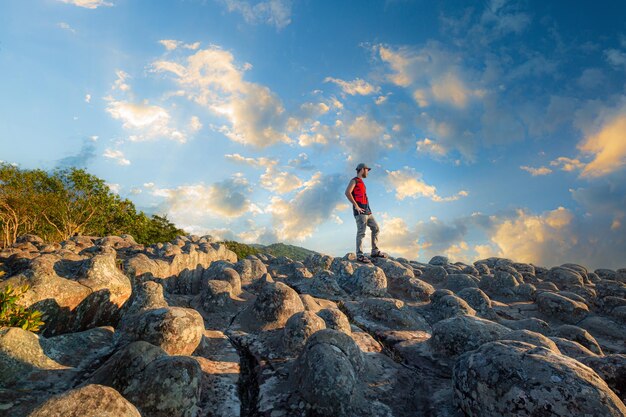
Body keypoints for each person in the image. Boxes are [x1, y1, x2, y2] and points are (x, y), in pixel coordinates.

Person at [344, 163, 387, 263]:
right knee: (361, 232)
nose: (367, 172)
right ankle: (360, 255)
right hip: (360, 212)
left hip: (368, 212)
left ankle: (374, 251)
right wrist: (356, 206)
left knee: (376, 228)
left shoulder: (362, 182)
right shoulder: (354, 180)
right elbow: (347, 192)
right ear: (362, 169)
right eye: (367, 170)